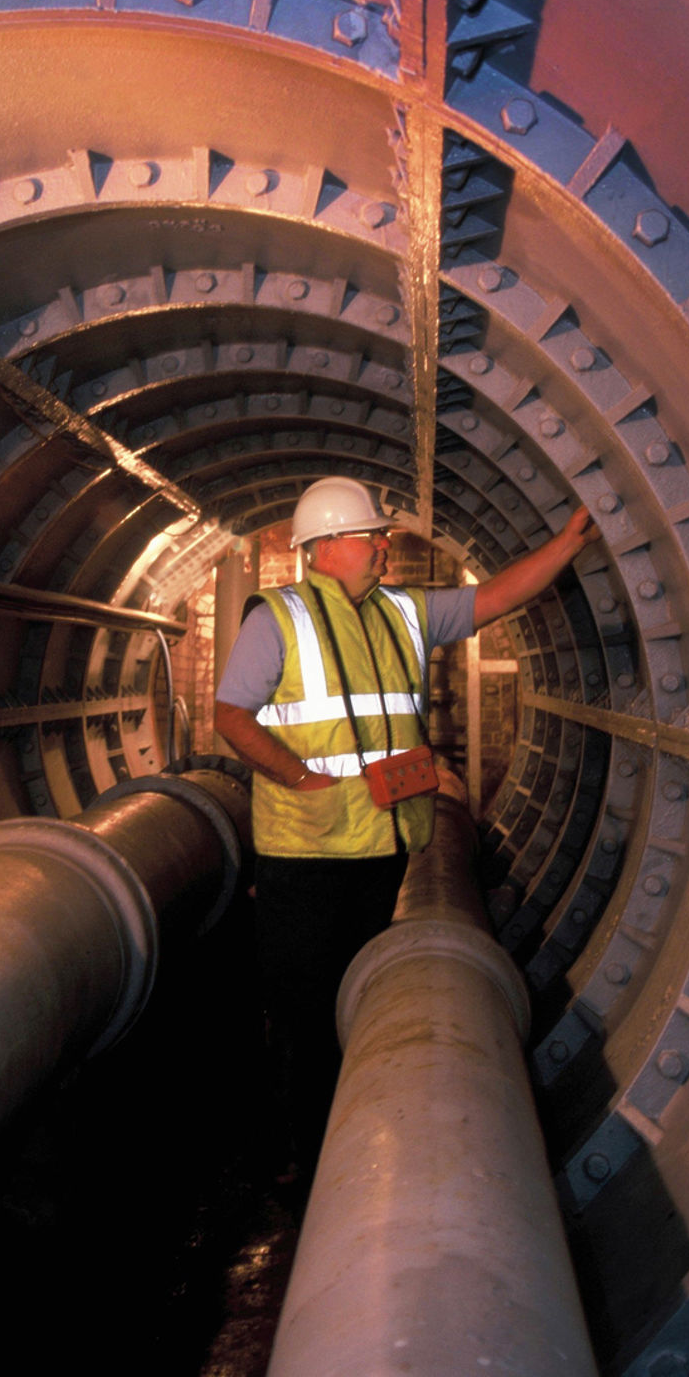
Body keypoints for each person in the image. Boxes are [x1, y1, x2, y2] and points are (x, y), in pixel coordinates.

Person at [213, 476, 594, 1174]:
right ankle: (304, 1162)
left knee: (367, 994)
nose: (384, 547)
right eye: (371, 537)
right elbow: (231, 716)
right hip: (307, 850)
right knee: (302, 1010)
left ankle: (359, 1139)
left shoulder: (404, 613)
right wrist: (302, 779)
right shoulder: (279, 617)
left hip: (384, 842)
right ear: (325, 547)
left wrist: (566, 543)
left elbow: (496, 597)